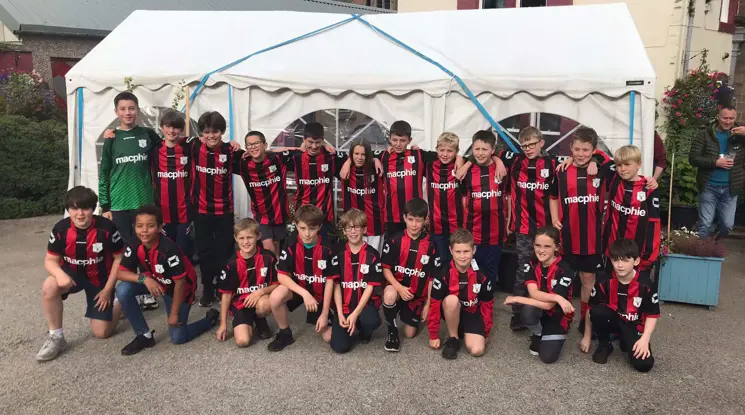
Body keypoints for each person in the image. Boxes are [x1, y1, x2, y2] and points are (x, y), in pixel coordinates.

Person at [116, 205, 218, 355]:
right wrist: (144, 279)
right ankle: (144, 336)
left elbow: (180, 283)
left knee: (178, 337)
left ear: (159, 228)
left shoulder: (169, 249)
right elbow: (120, 273)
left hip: (178, 289)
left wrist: (174, 314)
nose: (144, 230)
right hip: (155, 281)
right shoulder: (134, 243)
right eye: (139, 226)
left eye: (150, 226)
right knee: (123, 290)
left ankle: (209, 320)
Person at [37, 186, 124, 361]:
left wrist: (108, 290)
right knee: (49, 285)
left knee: (102, 333)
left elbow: (119, 258)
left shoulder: (107, 228)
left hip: (100, 279)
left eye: (85, 208)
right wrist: (60, 274)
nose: (80, 214)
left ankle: (121, 300)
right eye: (74, 208)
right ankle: (56, 337)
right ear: (68, 209)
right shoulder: (60, 229)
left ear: (93, 209)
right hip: (73, 276)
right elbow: (50, 260)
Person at [99, 92, 161, 311]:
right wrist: (105, 205)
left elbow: (168, 148)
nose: (128, 113)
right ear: (116, 112)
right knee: (127, 250)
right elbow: (104, 172)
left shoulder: (147, 134)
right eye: (123, 109)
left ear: (138, 110)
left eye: (131, 108)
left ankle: (148, 292)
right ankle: (131, 292)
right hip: (119, 204)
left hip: (144, 202)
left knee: (146, 246)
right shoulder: (111, 138)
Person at [550, 127, 608, 331]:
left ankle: (585, 319)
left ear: (594, 149)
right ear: (570, 148)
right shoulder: (562, 171)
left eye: (586, 150)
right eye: (577, 149)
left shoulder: (602, 169)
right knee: (563, 279)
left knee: (588, 279)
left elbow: (617, 161)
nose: (581, 154)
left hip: (591, 238)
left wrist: (596, 159)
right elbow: (553, 196)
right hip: (567, 236)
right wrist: (554, 217)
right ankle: (562, 317)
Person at [504, 127, 559, 331]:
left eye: (532, 144)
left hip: (547, 230)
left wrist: (594, 160)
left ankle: (549, 311)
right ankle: (518, 314)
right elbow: (490, 152)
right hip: (525, 228)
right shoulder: (515, 161)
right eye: (524, 145)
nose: (528, 149)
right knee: (524, 269)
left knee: (549, 269)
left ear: (541, 143)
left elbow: (582, 160)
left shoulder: (553, 163)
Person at [580, 239, 660, 373]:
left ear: (636, 261)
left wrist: (645, 339)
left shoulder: (646, 285)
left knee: (644, 365)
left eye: (625, 260)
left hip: (633, 325)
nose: (620, 265)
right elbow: (590, 308)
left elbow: (652, 315)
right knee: (598, 311)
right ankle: (605, 344)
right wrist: (587, 336)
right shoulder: (604, 281)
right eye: (615, 260)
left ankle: (625, 340)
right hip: (613, 320)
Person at [191, 111, 244, 307]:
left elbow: (257, 156)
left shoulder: (231, 151)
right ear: (201, 133)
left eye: (215, 132)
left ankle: (224, 288)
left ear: (222, 132)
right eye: (206, 132)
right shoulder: (194, 146)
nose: (211, 136)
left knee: (224, 252)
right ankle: (207, 290)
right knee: (205, 252)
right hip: (202, 211)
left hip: (225, 212)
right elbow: (170, 137)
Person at [267, 204, 337, 351]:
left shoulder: (328, 247)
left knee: (329, 337)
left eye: (312, 229)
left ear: (319, 227)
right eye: (302, 228)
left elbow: (331, 282)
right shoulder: (291, 242)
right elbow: (281, 275)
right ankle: (285, 334)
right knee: (275, 296)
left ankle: (324, 317)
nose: (307, 234)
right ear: (296, 225)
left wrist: (324, 314)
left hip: (320, 293)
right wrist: (305, 294)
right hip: (300, 290)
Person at [503, 227, 575, 364]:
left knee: (547, 358)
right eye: (538, 245)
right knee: (527, 310)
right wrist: (558, 297)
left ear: (557, 247)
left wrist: (517, 298)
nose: (541, 250)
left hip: (557, 316)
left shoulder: (565, 270)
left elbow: (548, 306)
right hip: (538, 309)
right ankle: (538, 332)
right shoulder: (530, 262)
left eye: (547, 246)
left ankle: (552, 332)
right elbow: (533, 293)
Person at [381, 198, 440, 352]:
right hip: (397, 288)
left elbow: (432, 278)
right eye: (411, 219)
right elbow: (385, 268)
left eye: (418, 220)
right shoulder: (395, 240)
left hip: (416, 296)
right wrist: (399, 288)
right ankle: (392, 333)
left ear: (425, 220)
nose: (414, 224)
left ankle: (409, 312)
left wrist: (428, 304)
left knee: (410, 334)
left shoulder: (431, 245)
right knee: (389, 294)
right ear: (404, 218)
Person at [427, 229, 494, 359]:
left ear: (474, 250)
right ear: (451, 251)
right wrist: (433, 335)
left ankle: (466, 332)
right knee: (451, 300)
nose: (462, 256)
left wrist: (485, 332)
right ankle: (453, 338)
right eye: (458, 251)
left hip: (472, 314)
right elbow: (434, 305)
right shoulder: (443, 274)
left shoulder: (482, 275)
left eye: (466, 251)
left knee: (477, 350)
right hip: (451, 310)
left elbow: (487, 305)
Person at [602, 145, 661, 281]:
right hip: (614, 251)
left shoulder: (649, 188)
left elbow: (654, 224)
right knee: (612, 288)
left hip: (638, 255)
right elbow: (595, 153)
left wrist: (649, 255)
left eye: (627, 164)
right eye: (619, 165)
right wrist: (591, 160)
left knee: (637, 290)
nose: (622, 169)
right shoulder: (614, 179)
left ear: (639, 164)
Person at [328, 209, 383, 353]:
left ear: (364, 229)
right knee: (340, 347)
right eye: (349, 227)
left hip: (364, 306)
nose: (353, 231)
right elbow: (336, 285)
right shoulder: (337, 252)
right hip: (344, 306)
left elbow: (370, 287)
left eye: (357, 227)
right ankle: (345, 325)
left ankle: (364, 329)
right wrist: (340, 313)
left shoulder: (373, 254)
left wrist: (355, 314)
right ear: (344, 231)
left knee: (371, 320)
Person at [460, 129, 511, 288]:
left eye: (485, 149)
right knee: (471, 271)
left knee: (491, 271)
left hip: (495, 232)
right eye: (477, 149)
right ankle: (470, 300)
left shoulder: (502, 169)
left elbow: (508, 196)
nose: (480, 153)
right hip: (473, 232)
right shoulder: (467, 171)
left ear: (492, 150)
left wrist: (509, 222)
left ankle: (487, 301)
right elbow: (464, 199)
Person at [216, 218, 278, 347]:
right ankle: (245, 320)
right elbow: (226, 295)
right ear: (236, 238)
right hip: (240, 304)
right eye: (241, 238)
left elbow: (278, 284)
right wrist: (223, 324)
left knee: (265, 305)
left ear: (258, 236)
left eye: (249, 237)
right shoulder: (230, 264)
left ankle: (260, 319)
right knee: (242, 342)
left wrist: (260, 292)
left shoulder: (268, 257)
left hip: (260, 299)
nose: (245, 242)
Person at [281, 122, 347, 241]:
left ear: (323, 140)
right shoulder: (296, 158)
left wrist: (374, 159)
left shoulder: (331, 156)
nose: (314, 146)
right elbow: (267, 154)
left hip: (324, 218)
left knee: (324, 251)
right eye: (310, 142)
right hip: (302, 217)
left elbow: (357, 157)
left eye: (318, 142)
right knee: (298, 250)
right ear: (304, 140)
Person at [689, 105, 745, 239]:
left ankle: (714, 243)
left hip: (730, 188)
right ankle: (703, 249)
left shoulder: (741, 135)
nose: (728, 121)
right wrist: (715, 163)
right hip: (709, 185)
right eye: (725, 118)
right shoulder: (705, 135)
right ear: (718, 117)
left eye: (731, 118)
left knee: (728, 225)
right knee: (705, 224)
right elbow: (693, 158)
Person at [236, 131, 291, 257]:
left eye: (256, 143)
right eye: (249, 145)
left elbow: (301, 150)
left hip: (279, 214)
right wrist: (233, 143)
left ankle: (276, 269)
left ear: (265, 145)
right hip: (261, 216)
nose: (253, 147)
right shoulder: (243, 164)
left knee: (277, 249)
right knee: (268, 247)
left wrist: (325, 146)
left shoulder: (277, 159)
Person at [149, 109, 194, 260]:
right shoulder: (154, 150)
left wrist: (231, 143)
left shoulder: (189, 148)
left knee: (183, 251)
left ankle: (186, 275)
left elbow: (207, 142)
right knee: (165, 251)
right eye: (168, 126)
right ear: (162, 127)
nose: (171, 131)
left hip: (184, 211)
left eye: (175, 127)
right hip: (163, 211)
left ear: (181, 129)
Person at [340, 138, 387, 253]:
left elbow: (391, 151)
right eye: (356, 154)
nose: (360, 157)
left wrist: (375, 159)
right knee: (355, 260)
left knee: (374, 259)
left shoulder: (376, 167)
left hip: (375, 224)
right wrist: (348, 161)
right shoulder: (343, 166)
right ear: (351, 154)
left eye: (363, 154)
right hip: (353, 227)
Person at [425, 132, 464, 264]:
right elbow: (411, 151)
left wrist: (460, 158)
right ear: (436, 149)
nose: (445, 154)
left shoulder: (463, 166)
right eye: (442, 150)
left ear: (457, 151)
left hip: (457, 226)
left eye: (450, 151)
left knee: (457, 263)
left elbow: (479, 157)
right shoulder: (429, 163)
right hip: (436, 225)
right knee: (439, 263)